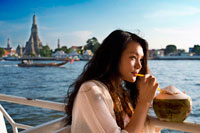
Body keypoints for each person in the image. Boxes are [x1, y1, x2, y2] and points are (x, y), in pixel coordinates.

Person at [65, 29, 159, 133]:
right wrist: (144, 102)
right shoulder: (90, 90)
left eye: (141, 60)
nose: (139, 66)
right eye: (133, 57)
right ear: (114, 57)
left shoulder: (121, 93)